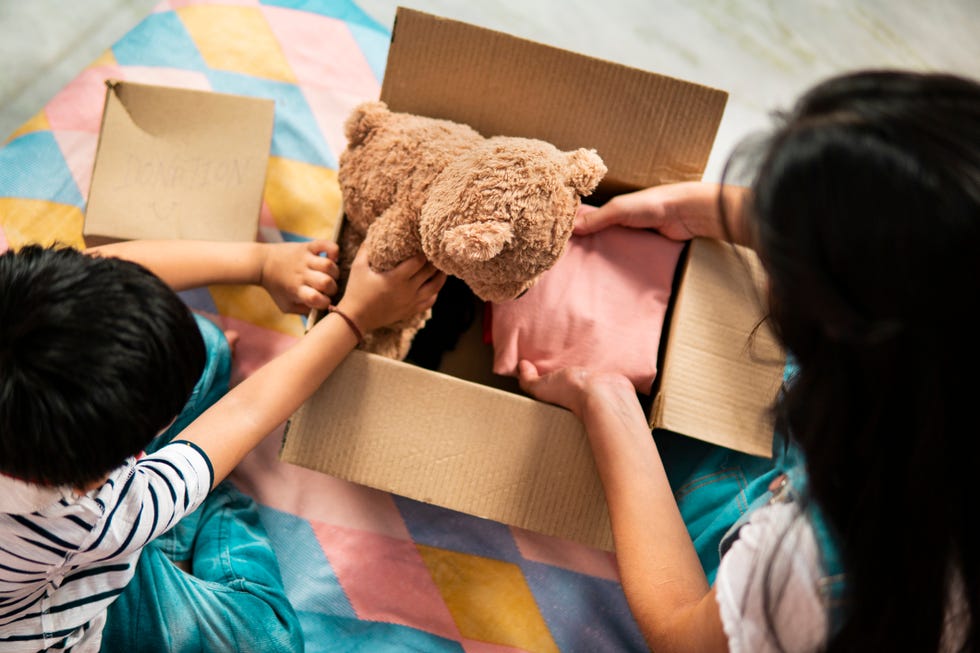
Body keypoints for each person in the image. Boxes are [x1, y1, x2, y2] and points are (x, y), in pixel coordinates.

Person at [519, 70, 980, 652]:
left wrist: (609, 406)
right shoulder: (941, 348)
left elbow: (685, 636)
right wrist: (709, 209)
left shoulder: (824, 563)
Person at [0, 238, 445, 652]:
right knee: (267, 638)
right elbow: (244, 414)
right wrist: (354, 318)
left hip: (60, 538)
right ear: (99, 474)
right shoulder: (93, 516)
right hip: (63, 603)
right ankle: (208, 504)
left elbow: (92, 275)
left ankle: (180, 505)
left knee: (206, 351)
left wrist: (261, 263)